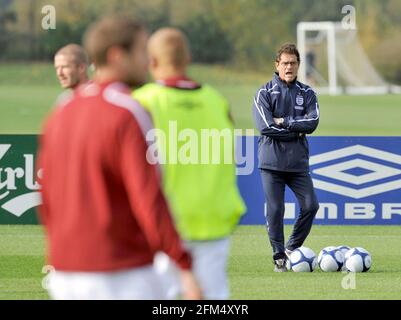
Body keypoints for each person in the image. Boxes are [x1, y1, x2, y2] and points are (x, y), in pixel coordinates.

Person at [37, 16, 202, 300]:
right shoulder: (127, 111)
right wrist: (184, 265)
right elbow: (148, 198)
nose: (147, 61)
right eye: (140, 51)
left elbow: (47, 196)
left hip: (64, 275)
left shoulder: (60, 111)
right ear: (117, 55)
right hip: (119, 273)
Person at [133, 27, 246, 299]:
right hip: (212, 223)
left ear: (152, 61)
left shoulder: (143, 102)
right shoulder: (216, 101)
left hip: (162, 226)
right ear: (188, 59)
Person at [252, 43, 320, 272]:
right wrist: (297, 130)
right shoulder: (263, 93)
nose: (289, 67)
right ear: (277, 65)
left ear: (298, 65)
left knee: (311, 205)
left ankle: (292, 248)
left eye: (293, 63)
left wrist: (286, 122)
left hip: (298, 164)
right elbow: (265, 127)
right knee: (276, 209)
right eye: (285, 63)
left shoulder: (308, 93)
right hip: (271, 163)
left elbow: (313, 123)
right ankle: (278, 255)